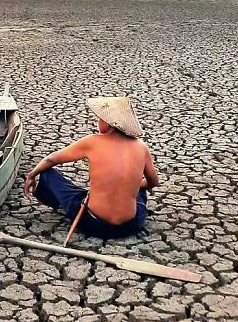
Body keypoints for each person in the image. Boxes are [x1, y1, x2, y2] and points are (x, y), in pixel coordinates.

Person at [24, 95, 159, 239]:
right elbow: (153, 182)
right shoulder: (141, 147)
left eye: (99, 119)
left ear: (108, 124)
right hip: (129, 227)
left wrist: (32, 175)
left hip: (95, 226)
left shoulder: (92, 142)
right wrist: (132, 186)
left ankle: (56, 205)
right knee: (140, 191)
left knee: (47, 173)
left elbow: (51, 159)